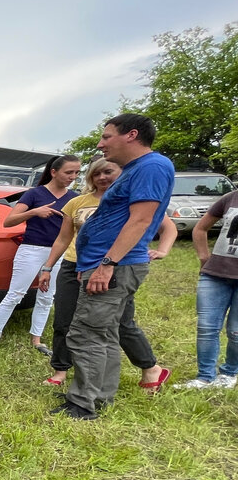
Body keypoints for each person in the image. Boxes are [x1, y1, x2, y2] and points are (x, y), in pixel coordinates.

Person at [55, 113, 175, 420]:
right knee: (105, 332)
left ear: (131, 135)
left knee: (85, 333)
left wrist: (106, 264)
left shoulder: (152, 166)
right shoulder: (136, 169)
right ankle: (99, 396)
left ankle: (83, 403)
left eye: (107, 136)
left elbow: (141, 219)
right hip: (108, 264)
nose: (101, 143)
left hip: (115, 266)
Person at [37, 157, 175, 388]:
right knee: (63, 321)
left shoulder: (129, 200)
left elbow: (165, 226)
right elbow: (63, 238)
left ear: (122, 173)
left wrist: (162, 250)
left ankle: (151, 368)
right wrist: (48, 267)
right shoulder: (77, 202)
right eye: (96, 174)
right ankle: (60, 370)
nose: (102, 178)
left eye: (108, 172)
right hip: (74, 266)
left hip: (114, 267)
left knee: (121, 323)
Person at [0, 155, 79, 354]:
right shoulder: (34, 194)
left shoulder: (74, 197)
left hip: (59, 253)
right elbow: (9, 221)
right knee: (15, 294)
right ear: (54, 172)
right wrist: (35, 212)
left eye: (77, 173)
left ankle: (37, 339)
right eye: (69, 172)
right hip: (32, 249)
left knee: (46, 297)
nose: (73, 176)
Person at [172, 185, 238, 389]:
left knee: (236, 331)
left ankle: (229, 372)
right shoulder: (231, 198)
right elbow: (200, 228)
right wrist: (204, 257)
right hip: (215, 275)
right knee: (207, 328)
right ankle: (205, 377)